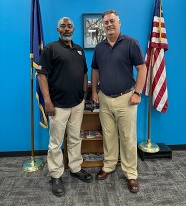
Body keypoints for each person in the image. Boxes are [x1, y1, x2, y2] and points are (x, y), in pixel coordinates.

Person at [91, 10, 146, 193]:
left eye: (112, 21)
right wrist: (94, 91)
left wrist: (138, 93)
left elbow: (142, 69)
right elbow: (95, 71)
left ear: (119, 22)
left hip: (126, 99)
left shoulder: (131, 43)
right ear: (103, 26)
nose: (109, 25)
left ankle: (131, 174)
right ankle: (109, 165)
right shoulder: (99, 47)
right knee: (109, 135)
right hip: (105, 99)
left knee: (128, 138)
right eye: (106, 22)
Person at [37, 17, 92, 197]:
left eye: (69, 26)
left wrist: (84, 93)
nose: (66, 29)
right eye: (63, 26)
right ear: (57, 29)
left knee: (75, 138)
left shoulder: (79, 50)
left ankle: (75, 168)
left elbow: (84, 73)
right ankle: (56, 175)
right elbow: (42, 75)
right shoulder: (50, 49)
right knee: (55, 143)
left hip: (77, 104)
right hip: (58, 106)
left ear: (73, 30)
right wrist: (47, 101)